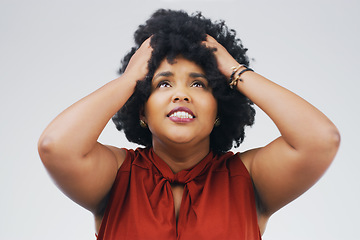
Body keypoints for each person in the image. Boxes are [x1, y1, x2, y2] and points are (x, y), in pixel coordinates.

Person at [38, 9, 340, 239]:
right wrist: (130, 79)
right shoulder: (116, 175)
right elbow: (56, 146)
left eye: (198, 84)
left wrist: (234, 70)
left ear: (219, 107)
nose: (181, 94)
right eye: (163, 84)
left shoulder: (250, 178)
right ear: (141, 109)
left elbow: (321, 139)